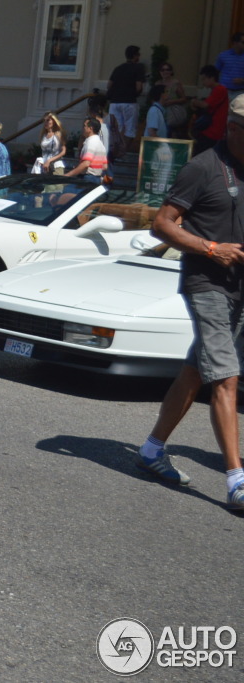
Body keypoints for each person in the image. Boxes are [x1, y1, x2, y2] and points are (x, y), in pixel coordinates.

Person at [135, 99, 244, 511]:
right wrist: (210, 248)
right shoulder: (202, 167)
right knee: (226, 377)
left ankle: (150, 449)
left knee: (197, 371)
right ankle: (236, 480)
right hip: (207, 283)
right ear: (233, 127)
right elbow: (162, 223)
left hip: (240, 288)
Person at [107, 45, 145, 155]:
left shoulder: (118, 68)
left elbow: (109, 85)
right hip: (129, 102)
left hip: (115, 102)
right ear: (135, 56)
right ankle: (123, 152)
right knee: (130, 129)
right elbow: (139, 87)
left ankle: (114, 152)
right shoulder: (138, 68)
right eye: (138, 54)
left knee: (115, 129)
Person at [191, 64, 228, 156]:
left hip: (213, 132)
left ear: (211, 78)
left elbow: (206, 105)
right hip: (211, 131)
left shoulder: (220, 90)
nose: (203, 82)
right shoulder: (217, 90)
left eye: (204, 79)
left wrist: (194, 101)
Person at [66, 117, 107, 183]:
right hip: (96, 178)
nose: (83, 128)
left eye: (84, 126)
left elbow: (86, 163)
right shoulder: (100, 144)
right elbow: (105, 166)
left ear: (90, 129)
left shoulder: (90, 143)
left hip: (88, 178)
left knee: (67, 193)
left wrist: (68, 174)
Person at [157, 62, 190, 138]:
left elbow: (184, 98)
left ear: (171, 71)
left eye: (167, 70)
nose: (165, 72)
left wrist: (171, 102)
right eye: (163, 70)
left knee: (168, 132)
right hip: (160, 112)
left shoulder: (175, 83)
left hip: (172, 113)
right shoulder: (158, 83)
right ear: (160, 72)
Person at [214, 32, 244, 100]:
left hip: (241, 92)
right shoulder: (223, 56)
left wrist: (242, 80)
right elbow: (215, 72)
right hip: (225, 90)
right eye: (243, 42)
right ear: (235, 43)